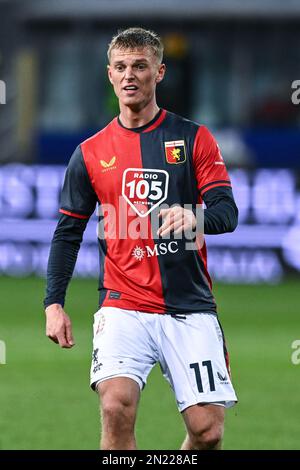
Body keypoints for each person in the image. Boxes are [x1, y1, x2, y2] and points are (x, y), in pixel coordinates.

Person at [44, 27, 238, 450]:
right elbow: (67, 233)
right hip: (122, 304)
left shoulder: (194, 138)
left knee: (207, 431)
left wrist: (193, 215)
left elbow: (228, 213)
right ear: (109, 75)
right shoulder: (91, 152)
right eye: (120, 67)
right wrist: (53, 303)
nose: (129, 75)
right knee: (116, 407)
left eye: (140, 66)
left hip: (188, 304)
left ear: (160, 72)